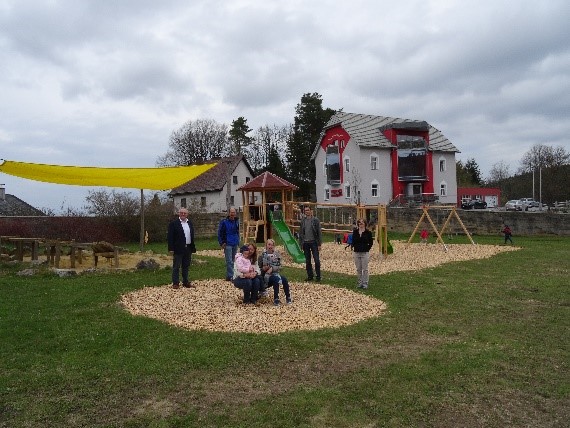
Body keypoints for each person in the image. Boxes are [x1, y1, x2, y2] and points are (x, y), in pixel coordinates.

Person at [167, 207, 196, 289]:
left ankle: (185, 282)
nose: (183, 214)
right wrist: (171, 248)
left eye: (185, 213)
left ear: (187, 214)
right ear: (179, 214)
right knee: (176, 266)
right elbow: (170, 237)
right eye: (181, 213)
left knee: (186, 266)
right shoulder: (173, 224)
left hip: (188, 248)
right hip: (178, 248)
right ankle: (175, 283)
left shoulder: (189, 223)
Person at [260, 239, 292, 306]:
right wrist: (264, 268)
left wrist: (272, 268)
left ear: (274, 246)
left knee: (284, 279)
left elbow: (281, 266)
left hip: (275, 273)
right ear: (266, 245)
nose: (270, 246)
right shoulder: (262, 255)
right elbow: (260, 268)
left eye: (272, 245)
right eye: (269, 244)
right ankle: (276, 298)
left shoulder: (277, 255)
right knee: (276, 280)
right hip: (266, 275)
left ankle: (288, 297)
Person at [298, 205, 322, 281]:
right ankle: (310, 276)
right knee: (308, 261)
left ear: (311, 211)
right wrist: (301, 244)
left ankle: (318, 276)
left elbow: (319, 232)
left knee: (316, 260)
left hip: (314, 242)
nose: (307, 212)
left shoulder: (315, 220)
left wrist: (319, 244)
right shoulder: (303, 221)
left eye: (308, 210)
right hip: (305, 243)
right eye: (305, 211)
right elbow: (301, 233)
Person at [218, 207, 240, 281]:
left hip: (235, 242)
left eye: (234, 212)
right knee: (229, 261)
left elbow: (237, 232)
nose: (232, 214)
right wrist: (222, 242)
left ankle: (231, 275)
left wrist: (238, 241)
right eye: (231, 212)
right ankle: (231, 276)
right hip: (227, 243)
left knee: (234, 260)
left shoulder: (237, 221)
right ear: (229, 213)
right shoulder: (224, 222)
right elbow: (220, 233)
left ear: (235, 213)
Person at [351, 218, 374, 289]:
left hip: (364, 253)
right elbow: (353, 241)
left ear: (365, 224)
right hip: (357, 252)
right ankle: (360, 282)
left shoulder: (368, 233)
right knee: (358, 269)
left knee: (365, 269)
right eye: (359, 223)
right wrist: (354, 246)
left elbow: (371, 242)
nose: (361, 224)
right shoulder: (355, 232)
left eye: (362, 223)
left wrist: (367, 248)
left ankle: (365, 283)